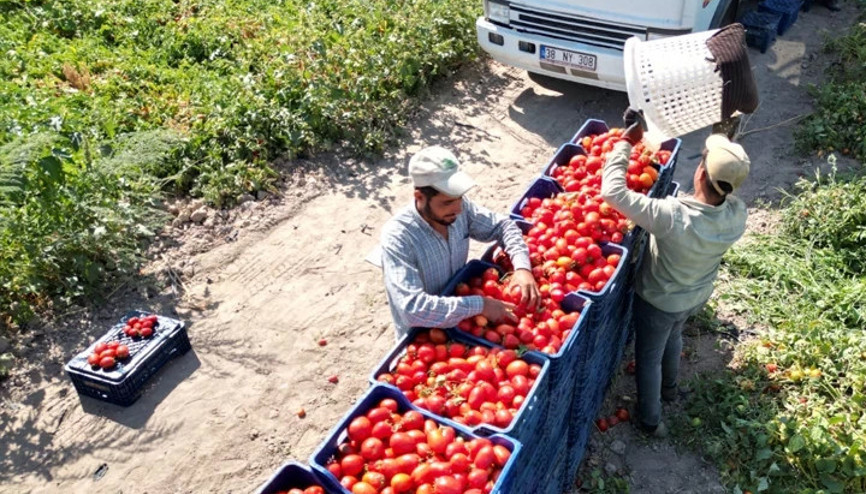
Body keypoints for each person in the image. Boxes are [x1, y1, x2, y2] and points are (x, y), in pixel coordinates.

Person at [600, 109, 750, 437]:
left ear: (699, 174)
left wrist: (627, 141)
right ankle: (670, 390)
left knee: (648, 357)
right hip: (694, 295)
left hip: (657, 301)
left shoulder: (671, 216)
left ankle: (651, 420)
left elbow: (612, 192)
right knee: (674, 334)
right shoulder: (737, 216)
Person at [380, 146, 540, 341]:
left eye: (459, 198)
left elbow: (504, 226)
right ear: (419, 197)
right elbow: (412, 309)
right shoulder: (398, 238)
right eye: (447, 202)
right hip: (425, 335)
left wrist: (522, 267)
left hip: (464, 318)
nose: (457, 209)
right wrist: (479, 305)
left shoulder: (461, 209)